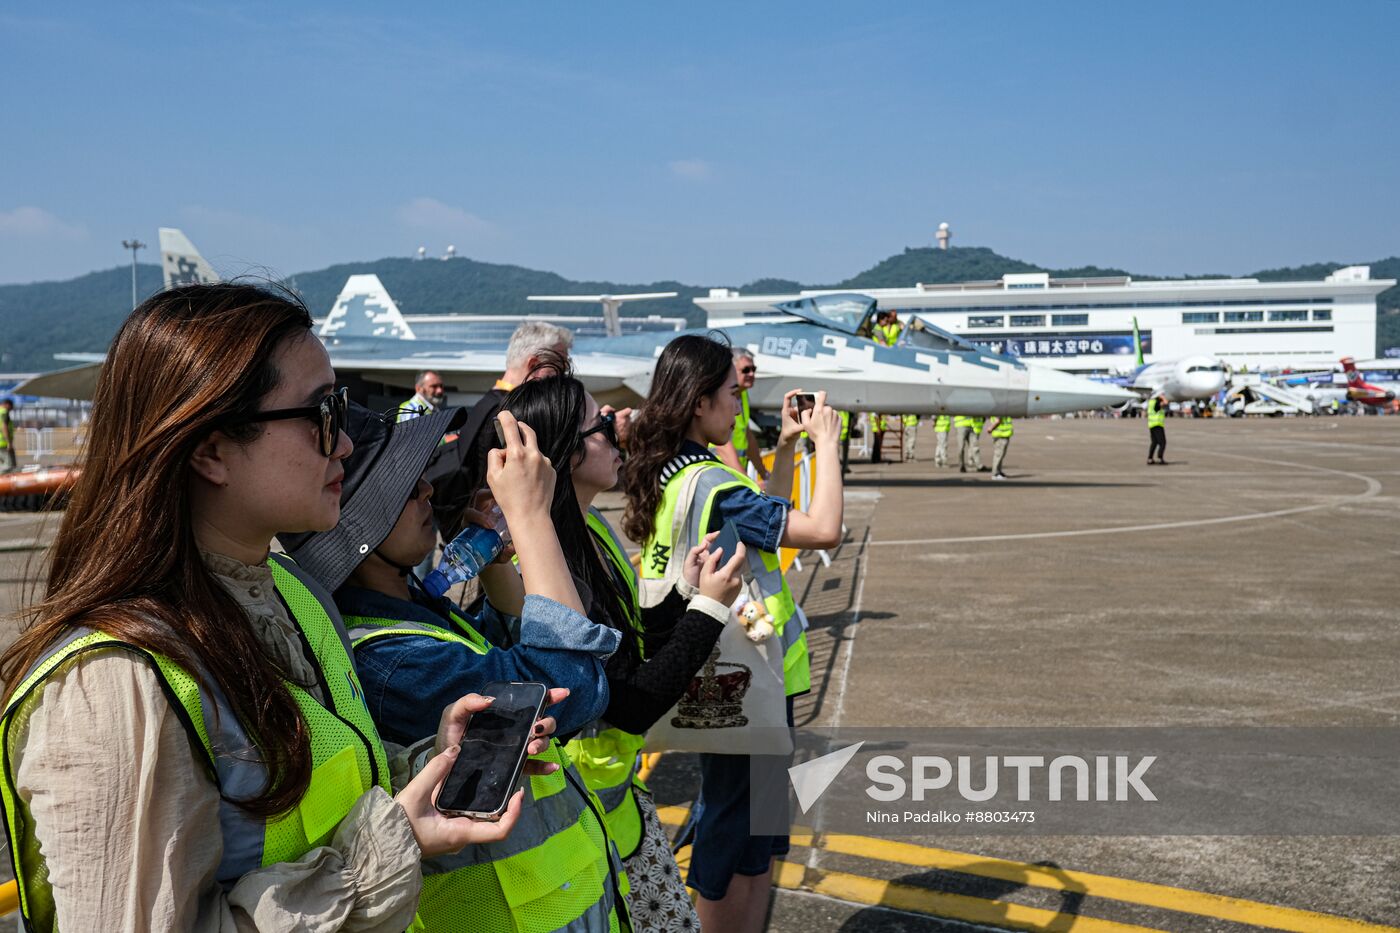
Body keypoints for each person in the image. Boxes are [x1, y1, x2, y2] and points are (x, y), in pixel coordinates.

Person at [0, 283, 545, 932]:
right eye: (321, 413)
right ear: (209, 448)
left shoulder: (295, 592)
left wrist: (430, 766)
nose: (343, 443)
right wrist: (386, 846)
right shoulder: (116, 685)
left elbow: (325, 793)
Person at [283, 399, 631, 931]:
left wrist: (495, 569)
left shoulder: (415, 614)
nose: (426, 490)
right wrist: (532, 517)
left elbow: (513, 656)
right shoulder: (386, 659)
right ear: (358, 525)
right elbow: (571, 690)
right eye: (400, 488)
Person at [497, 363, 749, 931]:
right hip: (587, 821)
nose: (618, 433)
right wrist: (709, 610)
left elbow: (627, 636)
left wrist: (685, 590)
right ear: (563, 452)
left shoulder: (592, 529)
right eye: (600, 426)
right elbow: (630, 700)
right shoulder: (543, 570)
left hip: (618, 806)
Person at [622, 333, 844, 933]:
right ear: (700, 402)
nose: (736, 405)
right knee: (734, 828)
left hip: (727, 671)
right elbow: (823, 530)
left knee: (750, 827)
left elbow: (765, 524)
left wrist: (791, 445)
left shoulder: (679, 476)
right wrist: (828, 445)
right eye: (728, 392)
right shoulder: (718, 486)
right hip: (749, 680)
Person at [431, 321, 574, 541]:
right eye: (559, 368)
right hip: (506, 538)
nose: (563, 380)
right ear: (534, 364)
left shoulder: (484, 405)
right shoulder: (511, 416)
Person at [714, 349, 771, 484]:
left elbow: (748, 436)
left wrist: (764, 473)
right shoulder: (721, 397)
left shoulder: (743, 395)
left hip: (735, 475)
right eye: (746, 370)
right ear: (732, 371)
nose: (751, 374)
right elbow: (723, 447)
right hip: (720, 476)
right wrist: (749, 484)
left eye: (753, 369)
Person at [987, 415, 1013, 479]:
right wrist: (991, 428)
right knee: (998, 455)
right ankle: (995, 474)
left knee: (1000, 455)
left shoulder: (1002, 409)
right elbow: (998, 421)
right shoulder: (1000, 409)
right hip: (1000, 435)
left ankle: (999, 471)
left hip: (1003, 434)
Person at [1147, 393, 1168, 464]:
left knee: (1154, 442)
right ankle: (1160, 458)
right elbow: (1165, 402)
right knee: (1162, 443)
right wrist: (1162, 397)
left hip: (1151, 425)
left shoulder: (1151, 402)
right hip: (1157, 425)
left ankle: (1150, 459)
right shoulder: (1156, 402)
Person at [0, 397, 15, 473]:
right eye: (11, 407)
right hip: (3, 444)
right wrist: (9, 442)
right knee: (9, 466)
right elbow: (4, 427)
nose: (12, 409)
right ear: (7, 405)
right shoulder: (4, 413)